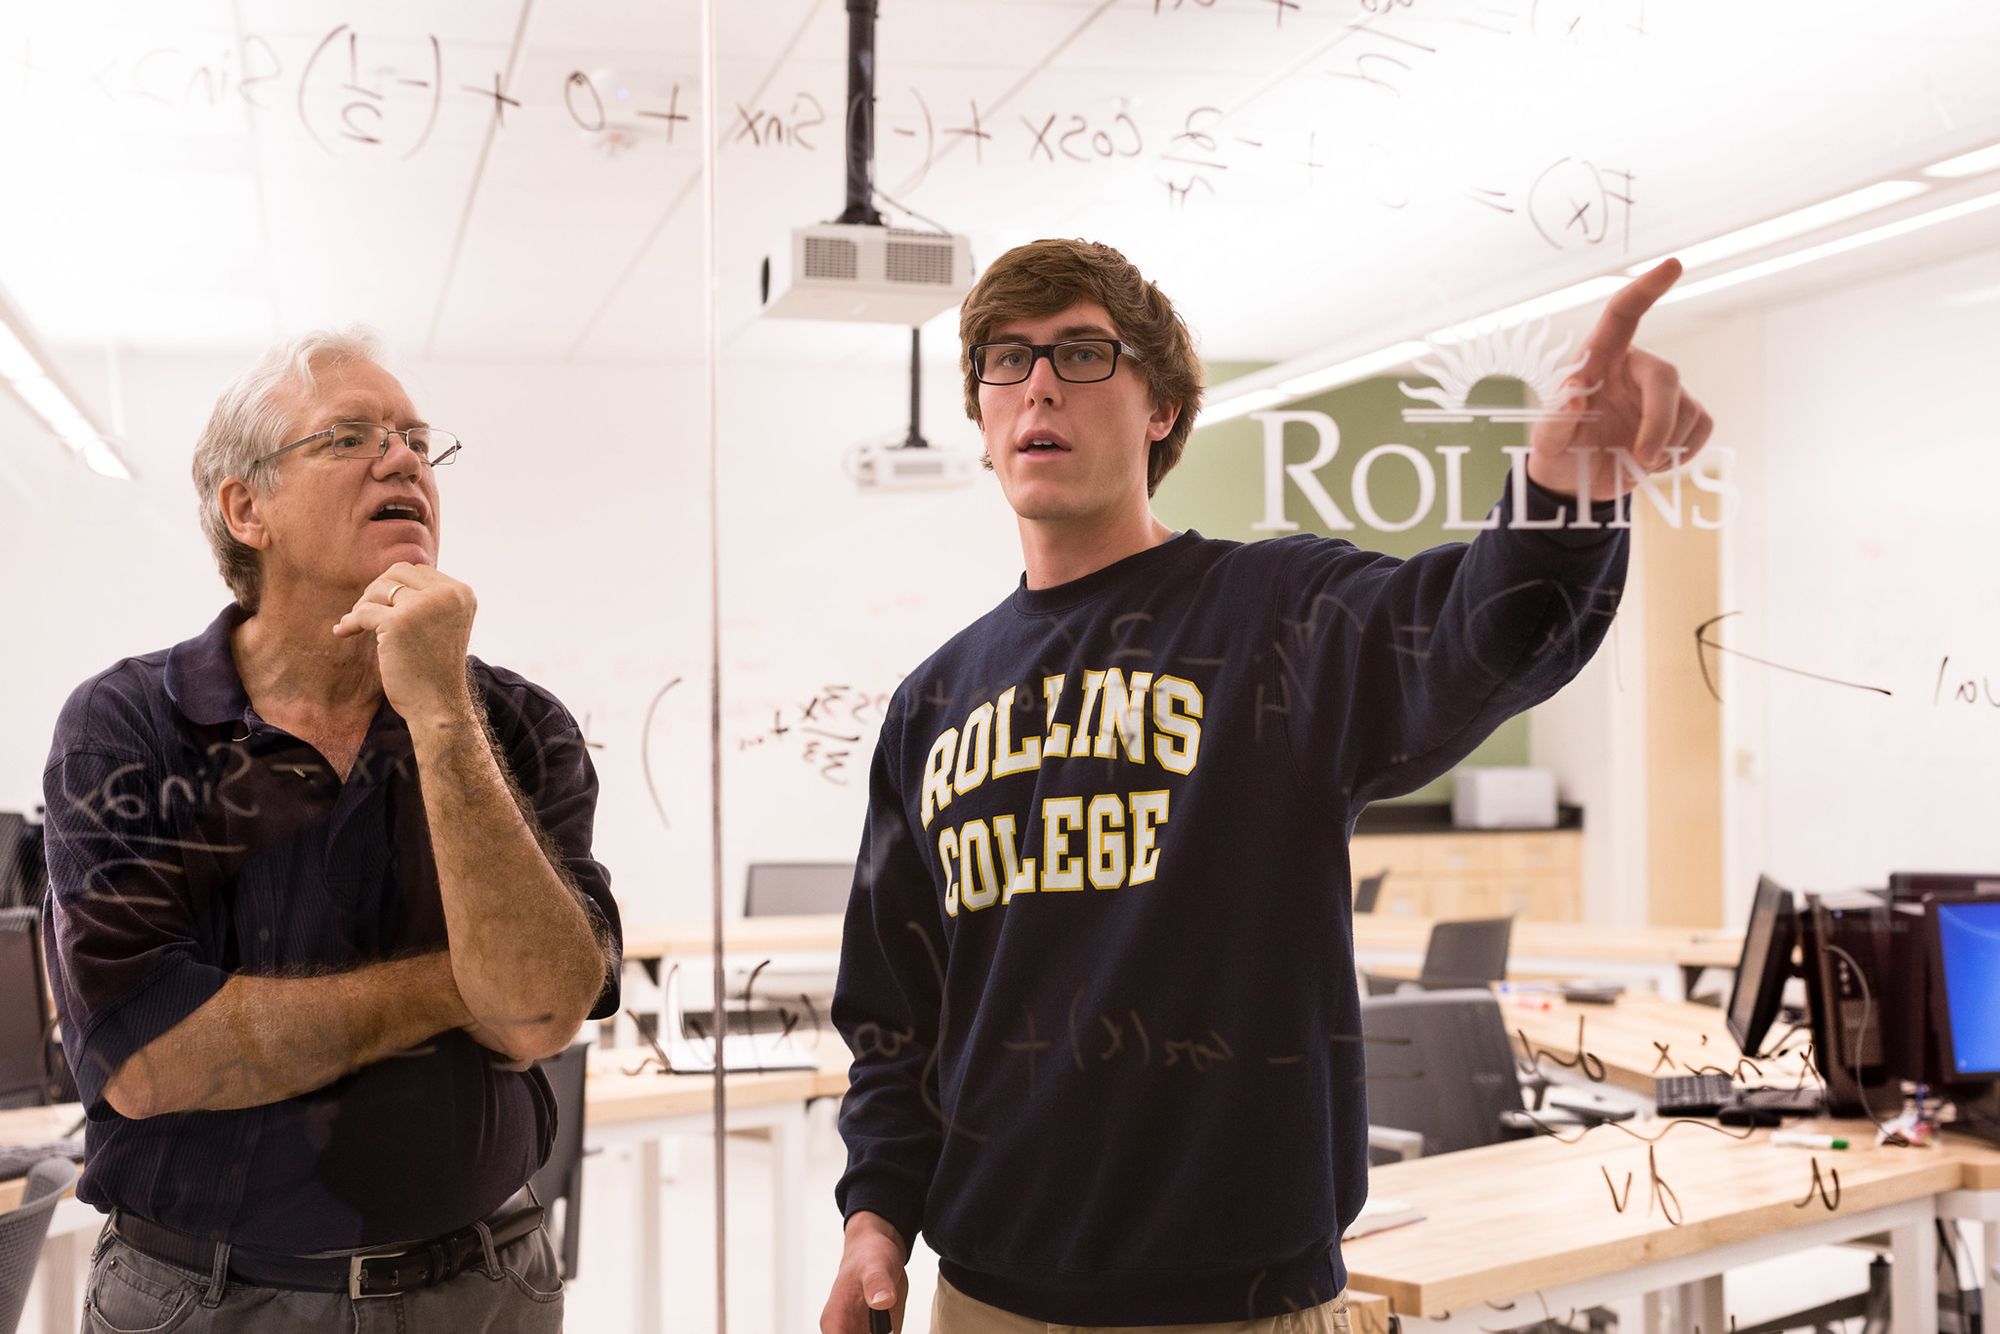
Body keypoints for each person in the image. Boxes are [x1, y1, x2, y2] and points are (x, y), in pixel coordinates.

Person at [822, 239, 1711, 1332]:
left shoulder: (1273, 613)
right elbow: (895, 1014)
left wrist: (1563, 483)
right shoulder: (932, 700)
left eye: (1082, 352)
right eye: (1006, 359)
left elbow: (1477, 637)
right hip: (985, 1294)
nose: (1038, 381)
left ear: (1160, 411)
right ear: (982, 412)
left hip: (1237, 1303)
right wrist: (875, 1220)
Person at [40, 329, 621, 1331]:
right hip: (202, 1298)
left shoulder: (516, 724)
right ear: (244, 505)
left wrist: (440, 706)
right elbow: (144, 1060)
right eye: (348, 435)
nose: (401, 458)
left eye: (414, 438)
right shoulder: (126, 724)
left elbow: (536, 1013)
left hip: (485, 1287)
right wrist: (457, 981)